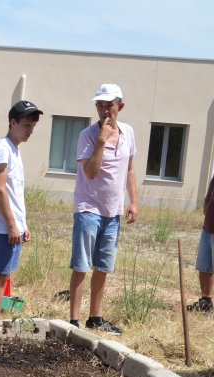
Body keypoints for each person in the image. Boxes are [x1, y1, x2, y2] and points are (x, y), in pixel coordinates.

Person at [68, 83, 139, 334]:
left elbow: (129, 168)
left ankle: (95, 317)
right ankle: (74, 321)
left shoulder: (128, 132)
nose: (104, 110)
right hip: (89, 208)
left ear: (120, 106)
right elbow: (90, 171)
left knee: (103, 266)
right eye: (99, 105)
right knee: (81, 265)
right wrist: (100, 142)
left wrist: (133, 201)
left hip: (113, 211)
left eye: (108, 105)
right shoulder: (88, 135)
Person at [0, 100, 42, 319]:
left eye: (32, 126)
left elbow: (15, 193)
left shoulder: (14, 150)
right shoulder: (2, 149)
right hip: (2, 226)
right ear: (12, 122)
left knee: (2, 277)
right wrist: (12, 224)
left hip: (12, 226)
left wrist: (23, 225)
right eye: (26, 125)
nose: (30, 131)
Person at [187, 174, 214, 314]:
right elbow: (211, 186)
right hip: (208, 227)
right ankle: (205, 302)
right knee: (205, 266)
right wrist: (207, 201)